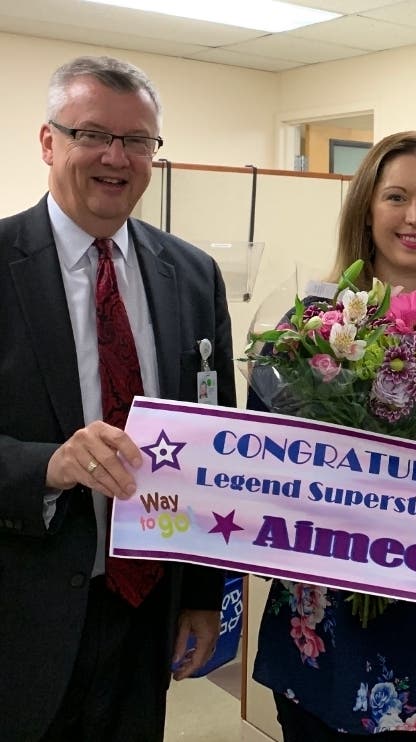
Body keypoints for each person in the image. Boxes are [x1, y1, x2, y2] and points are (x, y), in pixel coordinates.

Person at [0, 56, 235, 741]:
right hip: (22, 613)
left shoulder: (191, 275)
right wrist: (48, 465)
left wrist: (200, 598)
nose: (115, 157)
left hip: (145, 612)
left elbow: (210, 444)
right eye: (91, 134)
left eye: (137, 141)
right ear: (48, 141)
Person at [250, 131, 416, 740]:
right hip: (328, 631)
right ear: (367, 208)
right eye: (397, 197)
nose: (415, 218)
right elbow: (262, 465)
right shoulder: (311, 327)